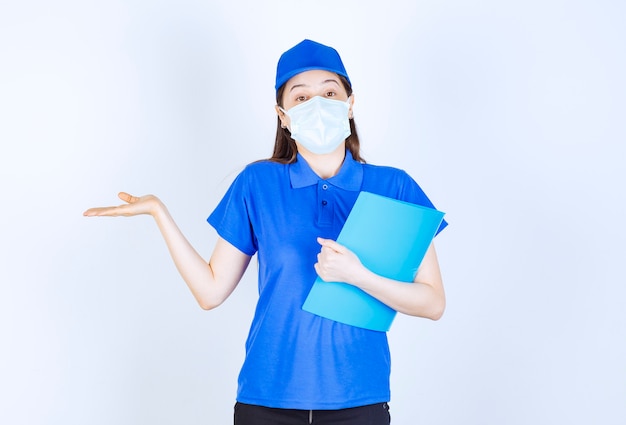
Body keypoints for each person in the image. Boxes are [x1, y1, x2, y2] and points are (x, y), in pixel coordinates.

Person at [84, 39, 448, 425]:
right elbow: (210, 292)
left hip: (359, 400)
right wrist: (160, 213)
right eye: (301, 98)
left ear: (350, 103)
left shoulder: (393, 188)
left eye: (329, 92)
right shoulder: (258, 183)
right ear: (283, 116)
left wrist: (358, 276)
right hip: (267, 400)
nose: (318, 105)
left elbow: (432, 302)